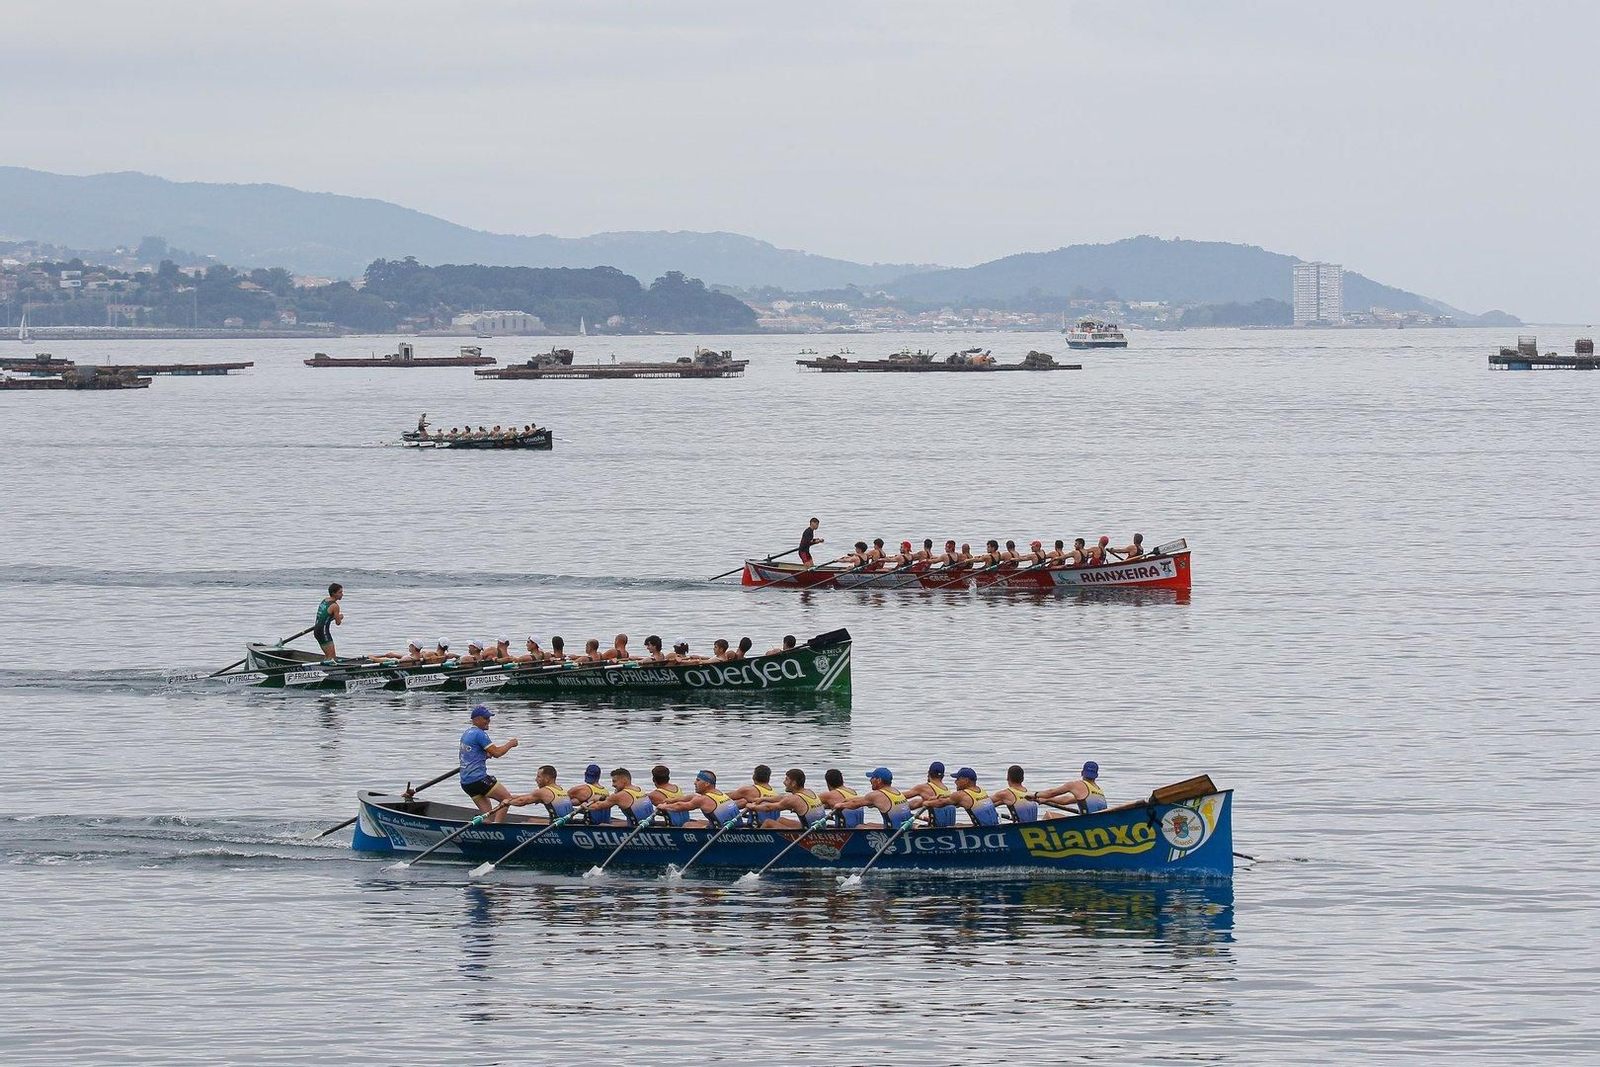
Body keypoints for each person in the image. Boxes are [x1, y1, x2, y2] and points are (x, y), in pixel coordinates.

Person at [458, 705, 518, 822]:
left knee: (487, 816)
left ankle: (488, 830)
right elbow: (497, 753)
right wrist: (511, 744)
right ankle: (498, 828)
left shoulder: (466, 733)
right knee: (506, 799)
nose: (488, 721)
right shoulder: (480, 734)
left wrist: (483, 755)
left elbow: (468, 754)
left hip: (466, 783)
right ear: (476, 719)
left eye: (489, 718)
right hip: (478, 780)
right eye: (486, 718)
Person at [829, 767, 916, 829]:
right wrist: (849, 800)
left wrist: (840, 805)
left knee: (859, 827)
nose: (870, 781)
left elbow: (855, 804)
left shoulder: (877, 795)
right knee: (869, 823)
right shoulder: (895, 791)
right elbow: (864, 800)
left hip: (894, 833)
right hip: (903, 827)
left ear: (878, 780)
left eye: (872, 778)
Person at [657, 770, 743, 828]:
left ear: (707, 783)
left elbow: (679, 807)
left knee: (687, 825)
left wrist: (663, 807)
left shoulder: (703, 800)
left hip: (724, 830)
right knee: (700, 821)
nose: (695, 783)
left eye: (698, 780)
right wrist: (673, 800)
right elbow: (692, 796)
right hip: (733, 825)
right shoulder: (718, 793)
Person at [920, 767, 1000, 826]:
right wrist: (937, 797)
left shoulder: (961, 794)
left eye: (957, 779)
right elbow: (949, 797)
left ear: (966, 780)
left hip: (982, 831)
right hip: (993, 827)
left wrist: (927, 803)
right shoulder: (981, 790)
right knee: (959, 824)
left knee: (957, 826)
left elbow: (941, 803)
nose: (955, 782)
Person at [747, 768, 827, 827]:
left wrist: (753, 807)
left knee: (768, 822)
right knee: (780, 820)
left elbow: (769, 808)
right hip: (816, 828)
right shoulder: (809, 792)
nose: (784, 782)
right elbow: (782, 798)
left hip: (810, 833)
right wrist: (763, 798)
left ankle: (757, 844)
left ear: (794, 783)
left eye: (786, 780)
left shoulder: (795, 799)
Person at [585, 768, 655, 826]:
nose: (613, 785)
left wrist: (585, 806)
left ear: (624, 780)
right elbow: (613, 799)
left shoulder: (620, 795)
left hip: (637, 828)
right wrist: (600, 798)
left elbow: (597, 806)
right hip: (649, 824)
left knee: (602, 825)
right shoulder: (638, 789)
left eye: (615, 781)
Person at [1029, 761, 1107, 814]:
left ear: (1082, 773)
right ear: (1096, 775)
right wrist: (1047, 800)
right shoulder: (1098, 790)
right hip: (1100, 823)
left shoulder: (1076, 784)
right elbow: (1067, 800)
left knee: (1049, 816)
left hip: (1088, 823)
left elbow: (1051, 792)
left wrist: (1035, 795)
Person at [903, 761, 957, 827]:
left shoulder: (924, 788)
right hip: (947, 827)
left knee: (911, 824)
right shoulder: (946, 790)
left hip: (934, 828)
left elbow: (899, 797)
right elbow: (917, 803)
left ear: (929, 774)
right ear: (942, 776)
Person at [314, 583, 344, 657]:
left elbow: (325, 616)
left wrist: (334, 617)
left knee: (328, 656)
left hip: (316, 630)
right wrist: (340, 617)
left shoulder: (324, 600)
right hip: (323, 632)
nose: (342, 594)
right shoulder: (335, 606)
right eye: (340, 592)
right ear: (334, 593)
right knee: (332, 657)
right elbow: (338, 623)